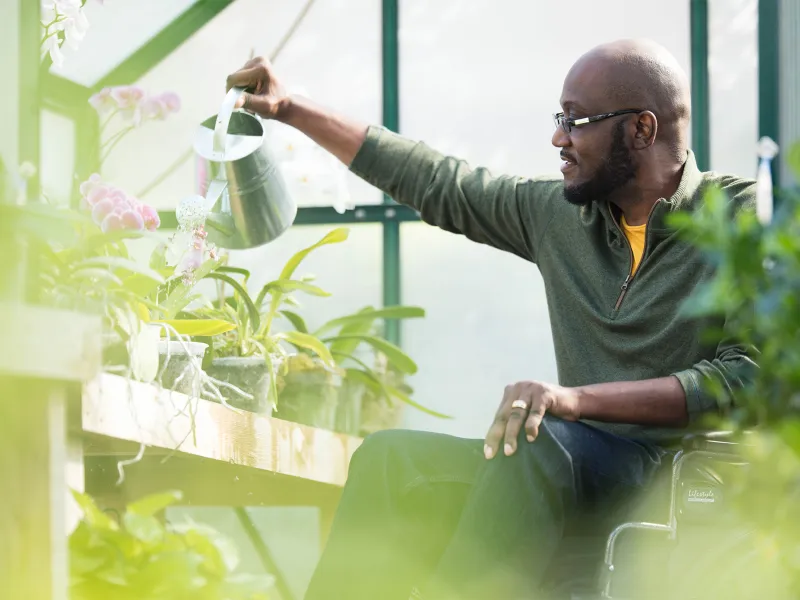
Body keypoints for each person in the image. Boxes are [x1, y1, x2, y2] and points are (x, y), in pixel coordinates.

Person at [227, 39, 757, 600]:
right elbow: (438, 182)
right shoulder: (560, 217)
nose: (559, 138)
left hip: (673, 481)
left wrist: (576, 401)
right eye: (560, 119)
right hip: (563, 466)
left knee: (538, 438)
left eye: (575, 121)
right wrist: (291, 109)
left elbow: (742, 379)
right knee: (390, 460)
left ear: (641, 131)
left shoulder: (742, 218)